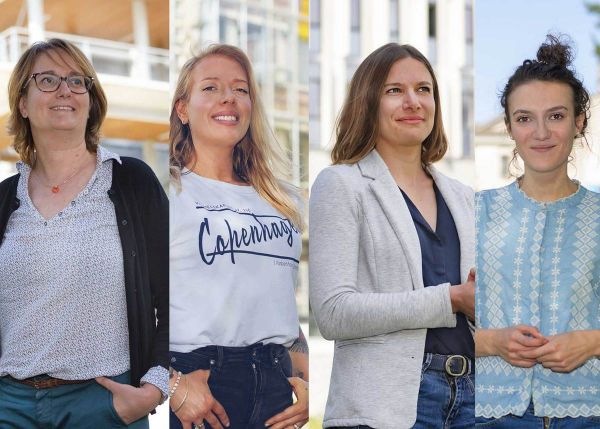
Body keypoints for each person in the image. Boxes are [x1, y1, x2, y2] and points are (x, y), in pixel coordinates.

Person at [0, 38, 168, 428]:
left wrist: (154, 388)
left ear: (90, 101)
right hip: (10, 405)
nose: (65, 90)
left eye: (78, 81)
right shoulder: (5, 199)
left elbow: (177, 290)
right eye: (47, 80)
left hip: (104, 403)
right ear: (23, 103)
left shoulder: (131, 181)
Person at [309, 43, 475, 429]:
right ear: (368, 102)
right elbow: (332, 312)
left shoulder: (465, 198)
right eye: (394, 90)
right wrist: (450, 299)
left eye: (424, 89)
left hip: (471, 399)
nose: (413, 102)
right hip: (384, 407)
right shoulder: (341, 184)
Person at [168, 44, 309, 429]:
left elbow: (279, 298)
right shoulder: (166, 191)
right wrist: (174, 386)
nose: (228, 97)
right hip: (202, 388)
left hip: (276, 388)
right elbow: (135, 308)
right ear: (183, 109)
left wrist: (309, 379)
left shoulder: (283, 199)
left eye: (240, 89)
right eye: (211, 88)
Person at [475, 35, 600, 428]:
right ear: (510, 127)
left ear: (579, 122)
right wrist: (492, 341)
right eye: (525, 118)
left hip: (588, 412)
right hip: (491, 414)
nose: (541, 132)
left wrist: (592, 342)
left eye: (557, 116)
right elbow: (433, 332)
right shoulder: (473, 212)